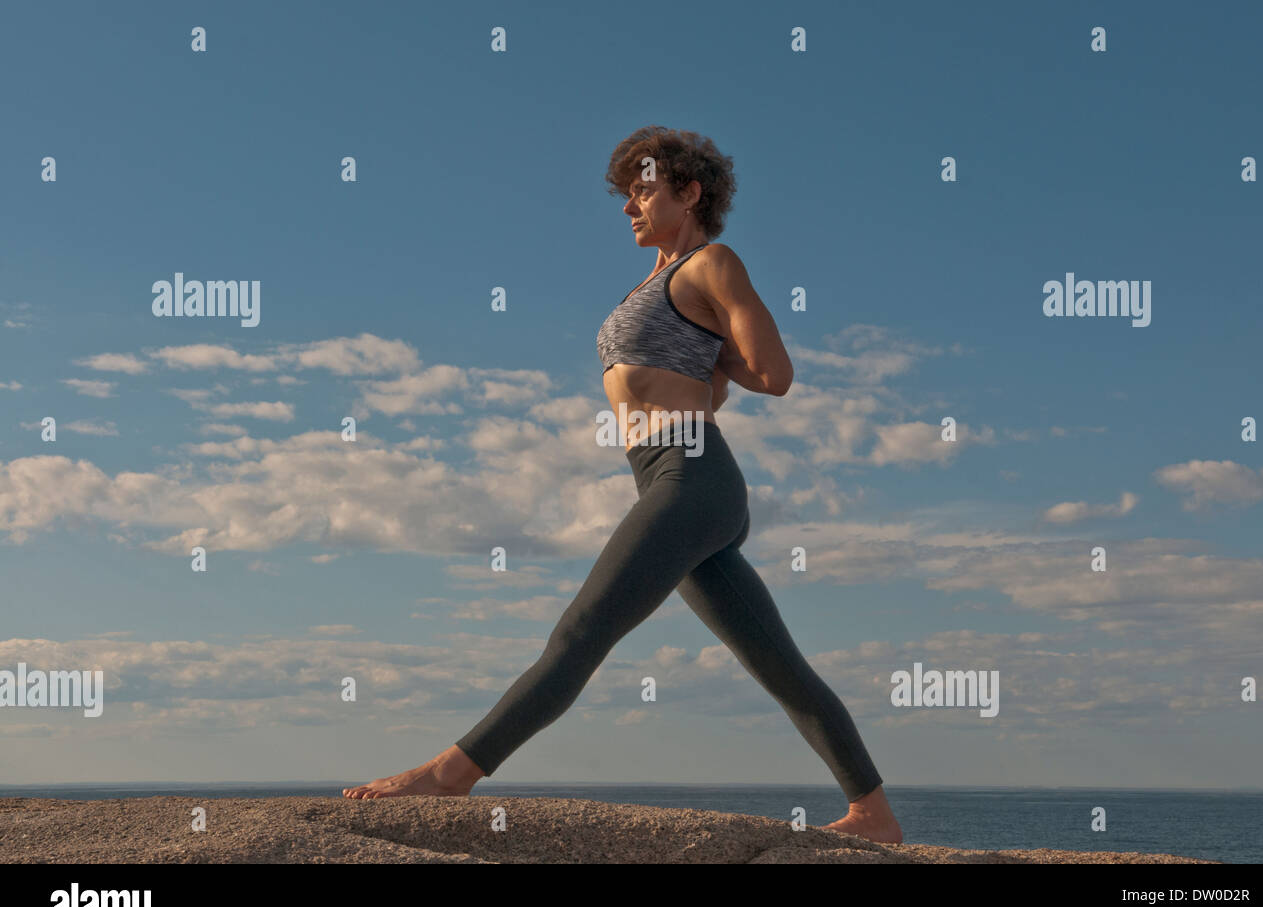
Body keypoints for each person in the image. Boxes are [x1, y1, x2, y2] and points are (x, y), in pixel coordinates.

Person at [344, 126, 903, 843]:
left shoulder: (712, 264)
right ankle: (874, 813)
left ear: (689, 192)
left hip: (693, 475)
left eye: (643, 189)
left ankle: (450, 774)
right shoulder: (652, 281)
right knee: (776, 660)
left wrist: (722, 360)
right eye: (627, 194)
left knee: (582, 628)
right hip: (670, 480)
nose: (629, 206)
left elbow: (775, 374)